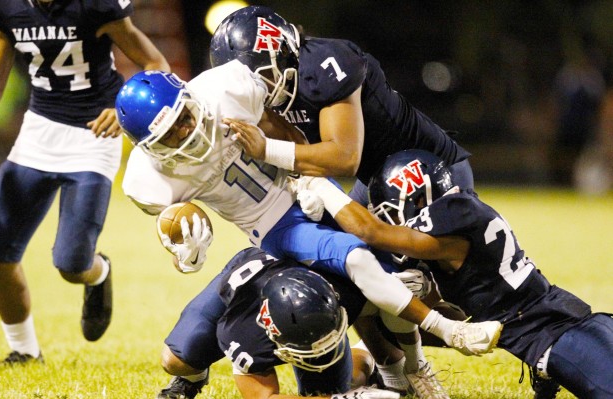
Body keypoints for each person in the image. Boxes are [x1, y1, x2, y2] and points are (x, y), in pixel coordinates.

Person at [115, 67, 501, 397]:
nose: (186, 132)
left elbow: (284, 130)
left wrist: (302, 174)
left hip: (305, 190)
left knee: (389, 270)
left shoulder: (225, 91)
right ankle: (426, 345)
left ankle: (414, 361)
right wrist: (188, 249)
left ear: (190, 97)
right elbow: (181, 220)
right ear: (149, 148)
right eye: (170, 135)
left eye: (183, 116)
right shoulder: (149, 182)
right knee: (177, 358)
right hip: (272, 230)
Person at [292, 149, 613, 399]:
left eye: (393, 210)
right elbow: (464, 298)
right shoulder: (461, 205)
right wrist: (427, 288)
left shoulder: (447, 227)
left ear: (419, 199)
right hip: (553, 309)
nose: (392, 219)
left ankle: (547, 368)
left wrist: (319, 183)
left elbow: (372, 232)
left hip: (547, 334)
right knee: (394, 304)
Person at [0, 0, 169, 366]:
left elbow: (155, 65)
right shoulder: (3, 8)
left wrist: (124, 108)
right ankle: (24, 350)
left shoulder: (96, 5)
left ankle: (98, 272)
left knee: (71, 264)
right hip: (38, 133)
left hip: (92, 136)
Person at [210, 5, 474, 209]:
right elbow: (298, 147)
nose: (256, 88)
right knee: (340, 256)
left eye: (258, 76)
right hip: (376, 178)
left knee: (416, 274)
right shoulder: (272, 88)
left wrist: (266, 149)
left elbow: (344, 157)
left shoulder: (324, 64)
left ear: (280, 53)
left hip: (430, 171)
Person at [163, 246, 402, 399]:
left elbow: (392, 310)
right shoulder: (244, 333)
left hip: (308, 293)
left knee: (341, 384)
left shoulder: (348, 287)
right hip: (244, 288)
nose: (319, 351)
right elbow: (263, 397)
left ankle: (363, 354)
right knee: (177, 359)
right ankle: (191, 379)